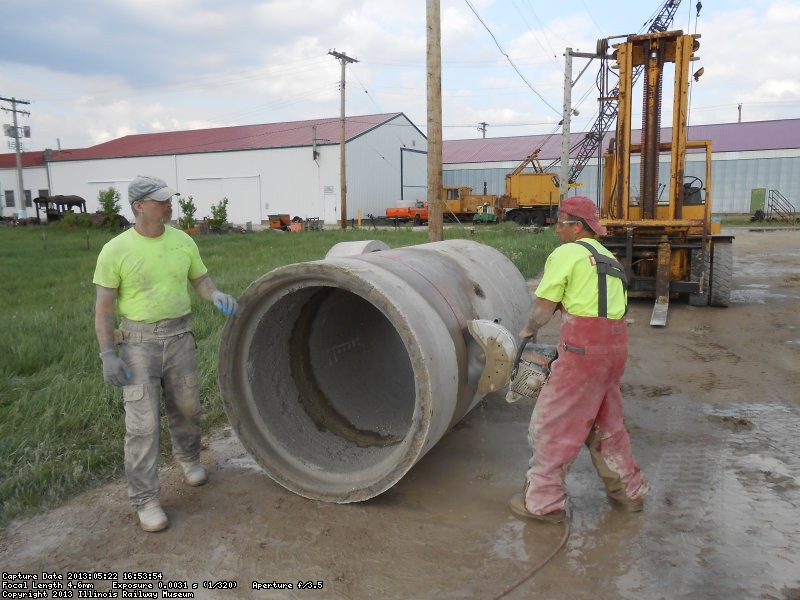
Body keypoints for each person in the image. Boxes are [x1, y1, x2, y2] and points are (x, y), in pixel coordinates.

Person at [93, 175, 239, 533]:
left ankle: (188, 460)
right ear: (139, 206)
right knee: (143, 425)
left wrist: (215, 294)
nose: (168, 205)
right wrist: (107, 354)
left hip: (180, 337)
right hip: (138, 343)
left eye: (169, 200)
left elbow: (199, 281)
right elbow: (104, 308)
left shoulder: (183, 241)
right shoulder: (115, 249)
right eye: (160, 201)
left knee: (188, 406)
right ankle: (146, 500)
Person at [509, 196, 650, 523]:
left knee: (553, 424)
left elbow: (544, 307)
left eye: (560, 224)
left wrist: (528, 330)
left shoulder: (567, 253)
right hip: (614, 351)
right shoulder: (608, 257)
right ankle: (629, 494)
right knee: (608, 424)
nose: (556, 231)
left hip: (582, 352)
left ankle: (543, 504)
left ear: (576, 226)